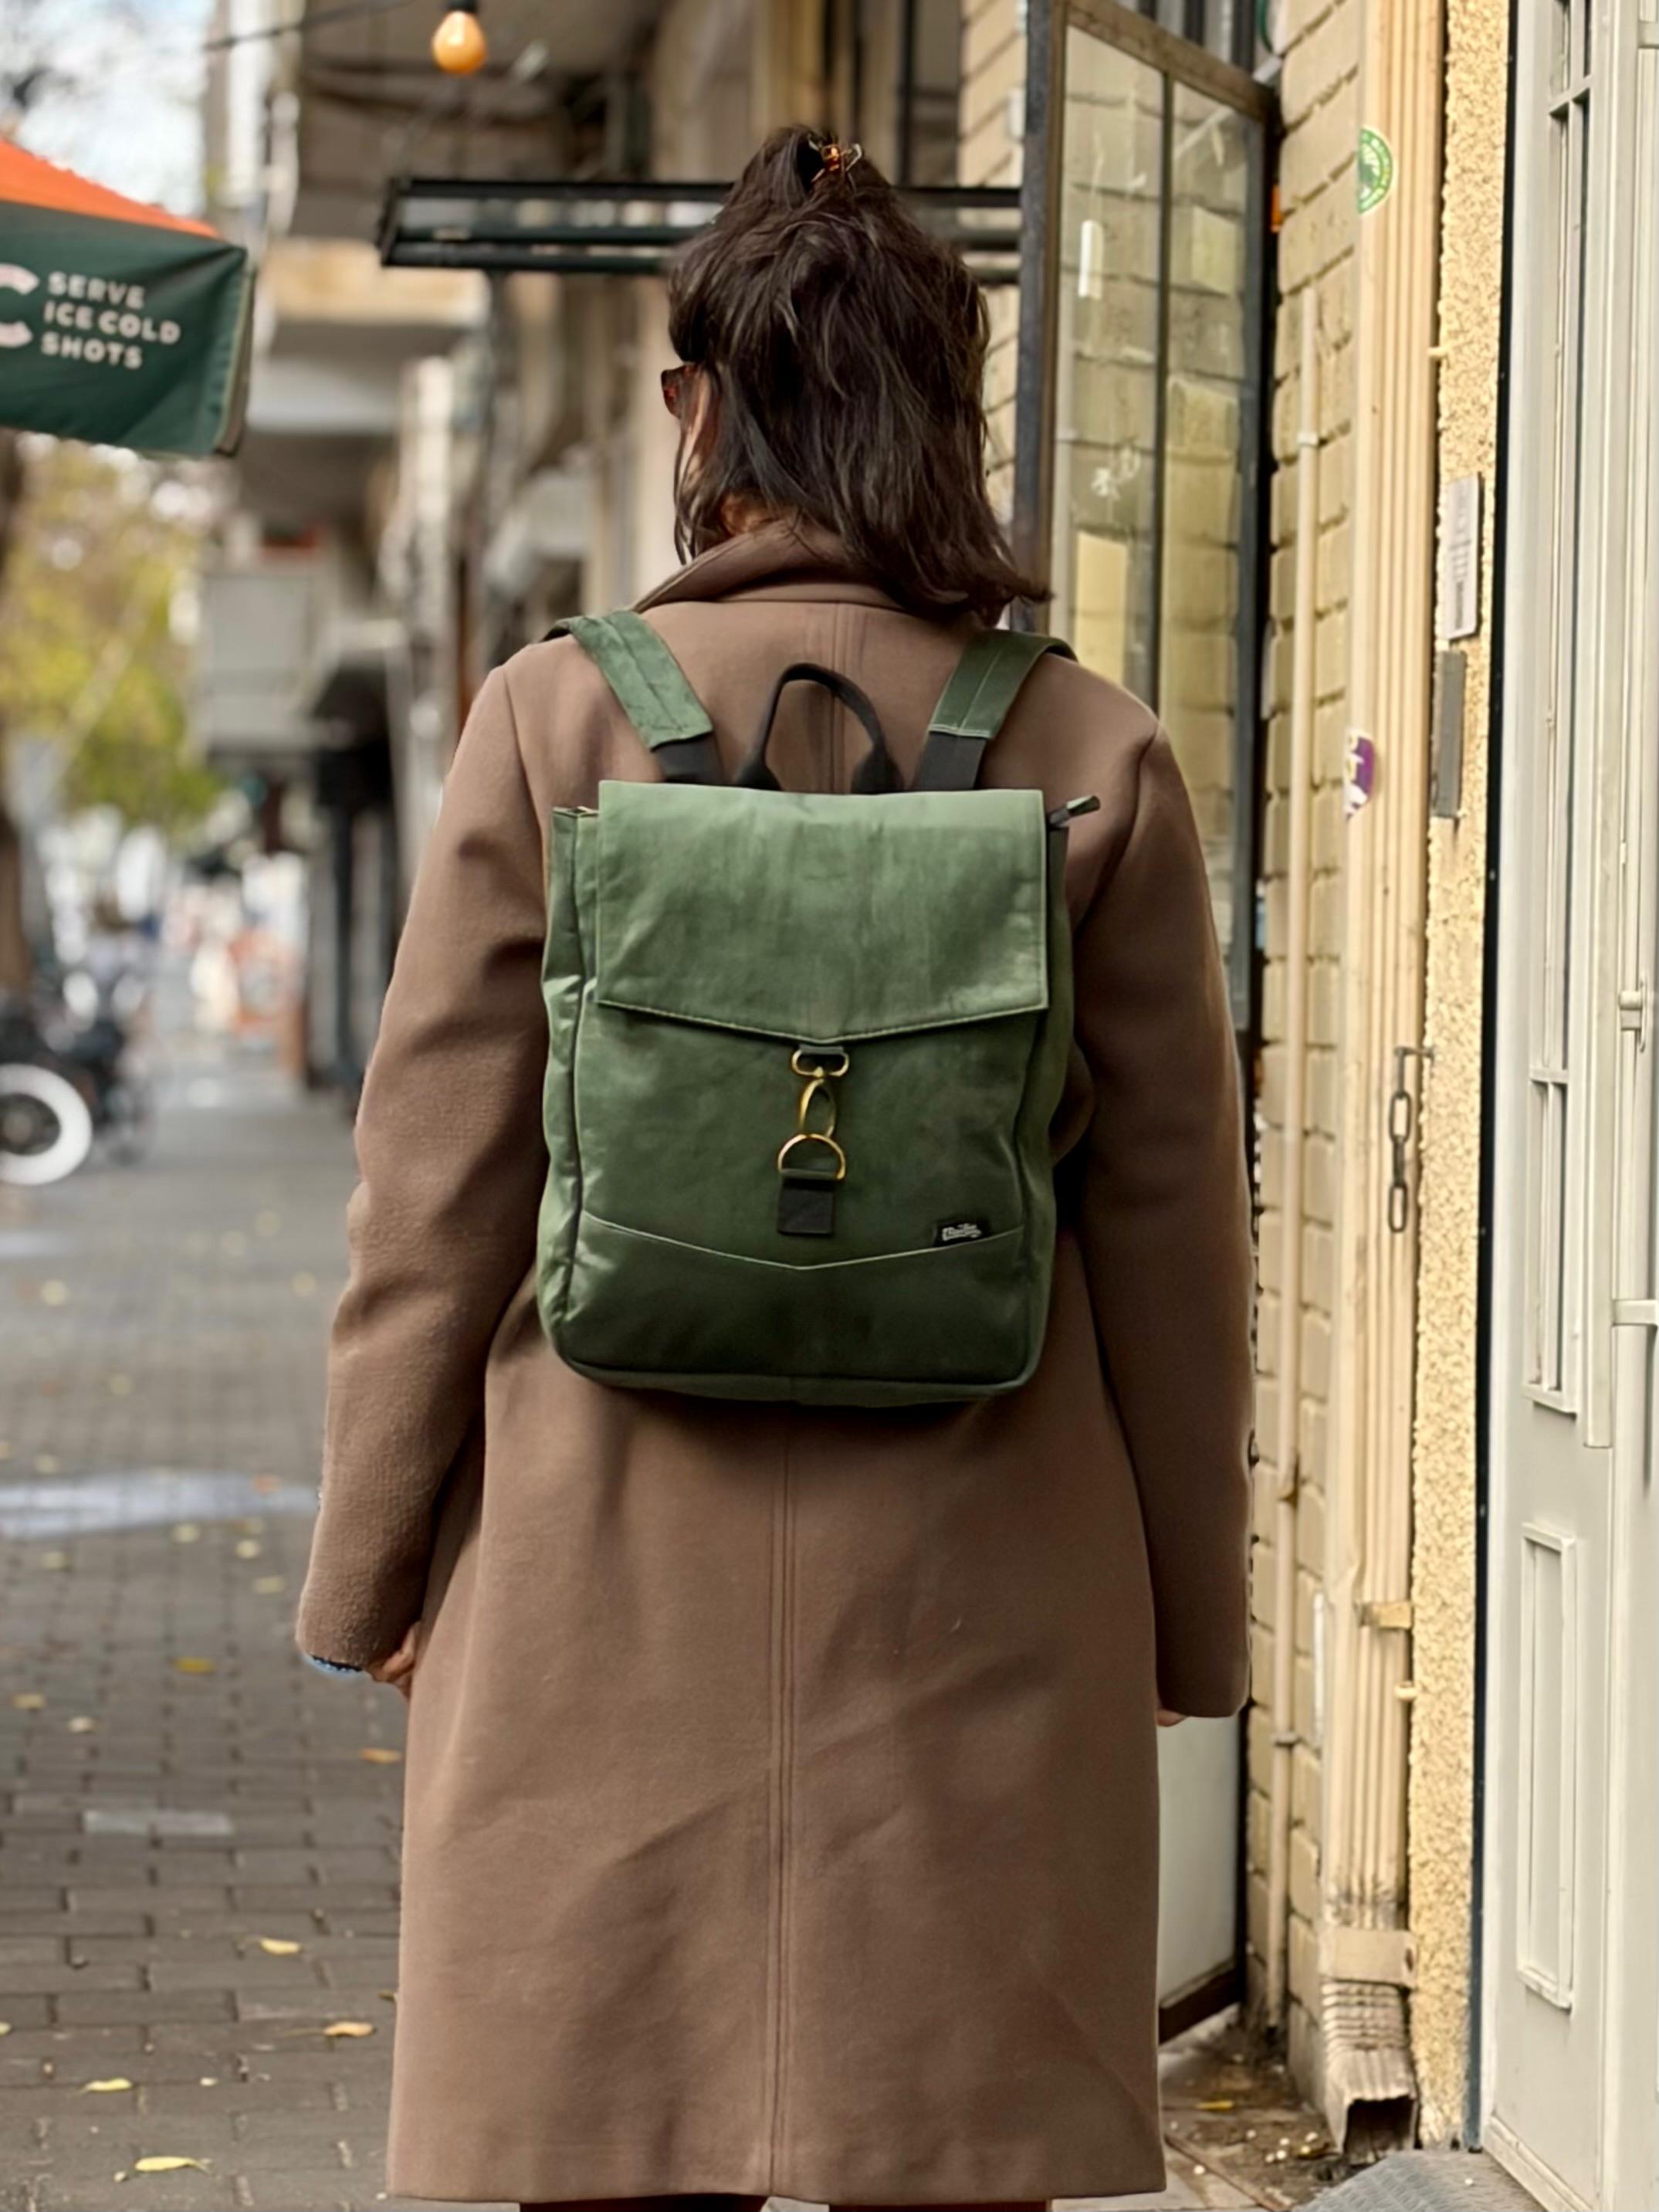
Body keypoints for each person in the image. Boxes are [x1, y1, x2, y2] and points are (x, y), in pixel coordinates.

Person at [296, 126, 1254, 2212]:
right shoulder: (1090, 749)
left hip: (591, 1578)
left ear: (700, 413)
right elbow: (1176, 1237)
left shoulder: (558, 723)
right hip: (986, 1590)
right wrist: (1189, 1622)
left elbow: (433, 1196)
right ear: (950, 419)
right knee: (957, 2155)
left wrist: (373, 1565)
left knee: (613, 2155)